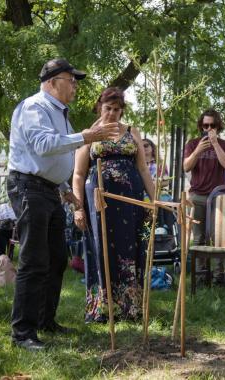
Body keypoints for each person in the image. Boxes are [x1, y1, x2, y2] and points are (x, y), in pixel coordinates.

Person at [7, 58, 119, 350]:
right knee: (34, 260)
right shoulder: (34, 107)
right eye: (71, 80)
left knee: (57, 258)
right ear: (52, 82)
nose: (75, 85)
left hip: (49, 190)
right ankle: (23, 333)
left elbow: (52, 158)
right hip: (29, 188)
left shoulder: (60, 113)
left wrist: (65, 188)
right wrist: (87, 136)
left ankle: (45, 320)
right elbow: (43, 146)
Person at [72, 87, 155, 323]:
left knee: (130, 248)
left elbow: (142, 169)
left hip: (131, 203)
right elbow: (78, 174)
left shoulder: (132, 132)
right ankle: (103, 306)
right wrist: (77, 207)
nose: (112, 114)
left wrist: (153, 200)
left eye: (117, 110)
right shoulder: (89, 134)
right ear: (100, 107)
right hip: (99, 203)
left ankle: (130, 305)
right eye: (108, 108)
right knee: (102, 249)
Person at [183, 109, 225, 281]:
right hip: (198, 195)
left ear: (218, 126)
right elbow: (186, 167)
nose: (209, 128)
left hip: (219, 196)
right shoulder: (192, 143)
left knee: (218, 238)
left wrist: (216, 144)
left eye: (212, 125)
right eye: (205, 125)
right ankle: (200, 277)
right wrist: (197, 151)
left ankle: (219, 277)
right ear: (201, 126)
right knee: (198, 238)